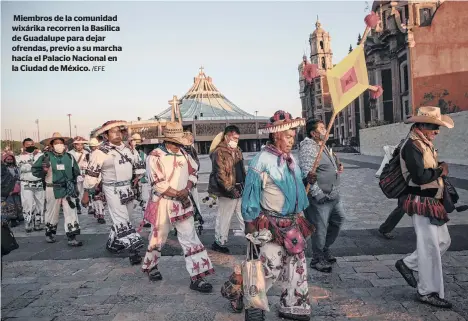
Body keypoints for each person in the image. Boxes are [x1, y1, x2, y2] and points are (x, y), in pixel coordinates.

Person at [229, 110, 313, 321]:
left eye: (294, 136)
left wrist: (307, 179)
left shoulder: (291, 159)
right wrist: (250, 223)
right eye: (288, 136)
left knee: (297, 266)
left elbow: (294, 189)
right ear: (276, 136)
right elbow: (251, 194)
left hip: (293, 223)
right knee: (270, 266)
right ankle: (247, 299)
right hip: (272, 224)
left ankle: (293, 306)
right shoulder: (261, 160)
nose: (292, 140)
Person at [142, 122, 214, 292]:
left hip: (182, 203)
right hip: (163, 203)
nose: (178, 146)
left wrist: (186, 189)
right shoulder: (154, 156)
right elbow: (157, 183)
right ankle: (152, 266)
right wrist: (178, 193)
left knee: (190, 238)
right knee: (158, 238)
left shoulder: (184, 154)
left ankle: (197, 277)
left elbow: (193, 172)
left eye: (179, 143)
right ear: (167, 141)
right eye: (175, 143)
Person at [394, 106, 454, 308]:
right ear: (421, 125)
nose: (437, 131)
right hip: (421, 201)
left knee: (443, 241)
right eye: (434, 127)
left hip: (431, 200)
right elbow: (420, 177)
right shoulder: (412, 145)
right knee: (430, 248)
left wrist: (438, 169)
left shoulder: (423, 143)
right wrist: (440, 170)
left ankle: (408, 264)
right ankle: (428, 291)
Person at [82, 121, 145, 265]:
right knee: (122, 220)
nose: (117, 134)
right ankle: (134, 250)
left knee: (125, 218)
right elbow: (91, 175)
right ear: (105, 135)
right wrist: (86, 192)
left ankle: (112, 244)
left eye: (119, 131)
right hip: (112, 189)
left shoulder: (129, 149)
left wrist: (137, 177)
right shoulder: (99, 152)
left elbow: (139, 166)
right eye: (112, 131)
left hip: (128, 189)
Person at [299, 119, 345, 273]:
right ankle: (317, 259)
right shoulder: (308, 147)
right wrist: (318, 194)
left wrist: (335, 166)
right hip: (320, 197)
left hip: (333, 195)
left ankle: (325, 248)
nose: (325, 129)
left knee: (338, 220)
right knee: (320, 228)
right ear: (313, 133)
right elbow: (307, 172)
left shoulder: (323, 145)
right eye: (322, 128)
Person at [32, 133, 82, 246]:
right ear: (51, 145)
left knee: (71, 212)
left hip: (68, 188)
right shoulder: (46, 157)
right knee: (51, 212)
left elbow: (76, 172)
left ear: (64, 144)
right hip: (52, 188)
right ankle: (50, 233)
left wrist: (75, 185)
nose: (59, 145)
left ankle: (72, 237)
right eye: (56, 143)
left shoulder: (69, 157)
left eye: (61, 143)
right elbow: (35, 170)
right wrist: (44, 171)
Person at [208, 125, 246, 253]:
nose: (235, 140)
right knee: (224, 217)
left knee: (244, 216)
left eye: (237, 138)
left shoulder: (238, 150)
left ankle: (252, 240)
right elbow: (220, 174)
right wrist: (230, 189)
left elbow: (241, 169)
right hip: (226, 192)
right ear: (226, 136)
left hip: (240, 189)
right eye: (233, 138)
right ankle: (219, 242)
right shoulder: (218, 152)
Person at [16, 138, 45, 232]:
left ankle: (38, 223)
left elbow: (44, 167)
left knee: (40, 203)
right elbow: (21, 168)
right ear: (24, 146)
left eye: (31, 144)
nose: (30, 146)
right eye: (27, 145)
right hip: (26, 183)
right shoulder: (19, 157)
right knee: (27, 204)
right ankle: (28, 222)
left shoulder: (41, 155)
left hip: (39, 182)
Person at [68, 136, 90, 215]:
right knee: (77, 190)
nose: (80, 146)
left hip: (85, 174)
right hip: (76, 174)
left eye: (81, 144)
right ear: (74, 145)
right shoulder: (70, 154)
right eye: (78, 144)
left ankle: (88, 204)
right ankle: (78, 205)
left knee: (87, 190)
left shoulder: (87, 153)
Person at [2, 152, 23, 227]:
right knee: (10, 205)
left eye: (11, 159)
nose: (10, 160)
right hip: (7, 190)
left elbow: (20, 177)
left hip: (17, 189)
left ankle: (19, 217)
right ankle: (12, 220)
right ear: (5, 160)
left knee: (18, 204)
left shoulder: (16, 168)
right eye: (8, 159)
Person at [88, 138, 106, 224]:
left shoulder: (99, 154)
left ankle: (101, 215)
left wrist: (98, 181)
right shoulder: (92, 154)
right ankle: (99, 214)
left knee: (98, 197)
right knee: (95, 198)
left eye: (93, 146)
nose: (93, 148)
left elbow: (100, 168)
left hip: (98, 179)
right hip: (94, 179)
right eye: (92, 146)